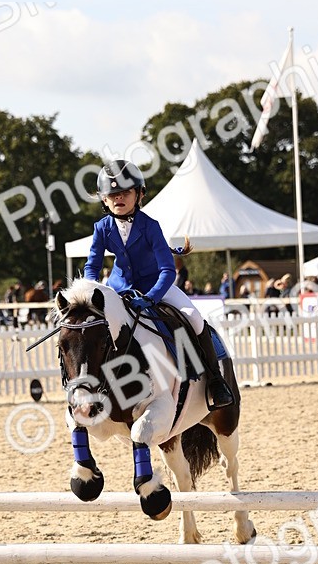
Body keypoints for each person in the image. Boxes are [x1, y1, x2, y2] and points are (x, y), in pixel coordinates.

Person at [83, 159, 234, 410]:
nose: (118, 198)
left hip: (156, 287)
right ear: (104, 200)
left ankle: (216, 382)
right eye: (112, 194)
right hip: (118, 288)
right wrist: (89, 288)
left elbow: (167, 270)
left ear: (139, 194)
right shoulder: (101, 228)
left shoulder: (150, 226)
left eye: (125, 192)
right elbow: (92, 265)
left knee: (193, 318)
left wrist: (152, 297)